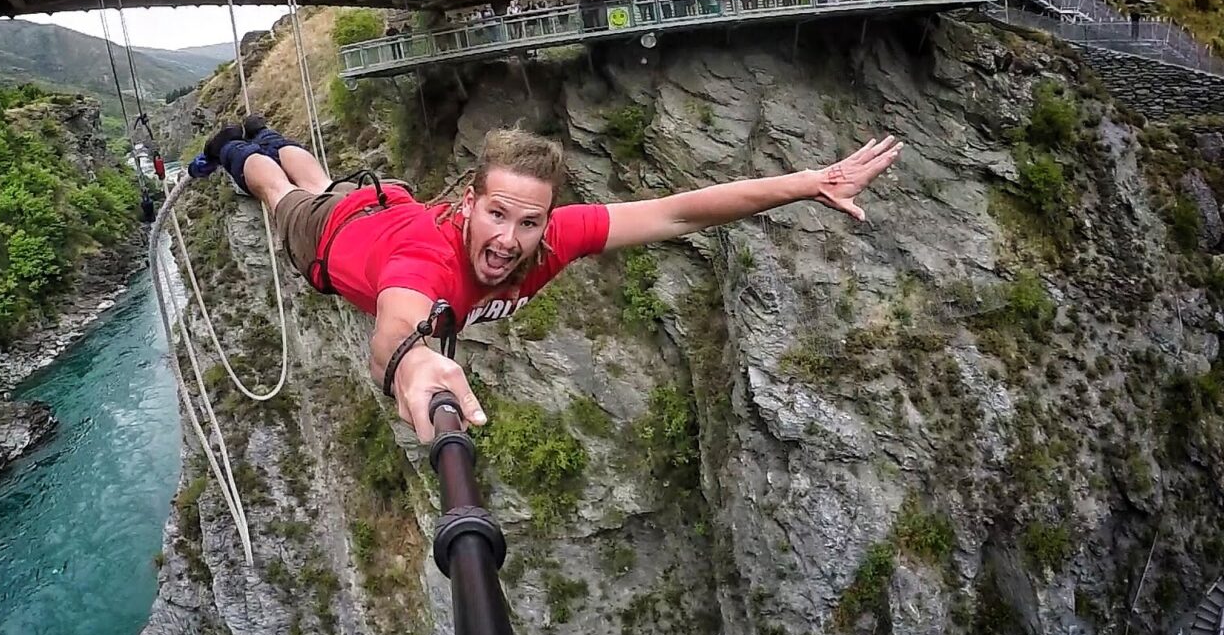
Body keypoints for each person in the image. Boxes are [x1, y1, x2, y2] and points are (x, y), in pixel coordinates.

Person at [195, 120, 902, 443]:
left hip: (384, 201)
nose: (508, 240)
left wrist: (808, 183)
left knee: (323, 176)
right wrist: (409, 367)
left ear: (548, 221)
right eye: (495, 215)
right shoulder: (426, 261)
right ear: (469, 204)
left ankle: (265, 134)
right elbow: (395, 334)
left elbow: (680, 210)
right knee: (282, 191)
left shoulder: (554, 235)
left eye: (527, 223)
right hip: (332, 237)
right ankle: (235, 144)